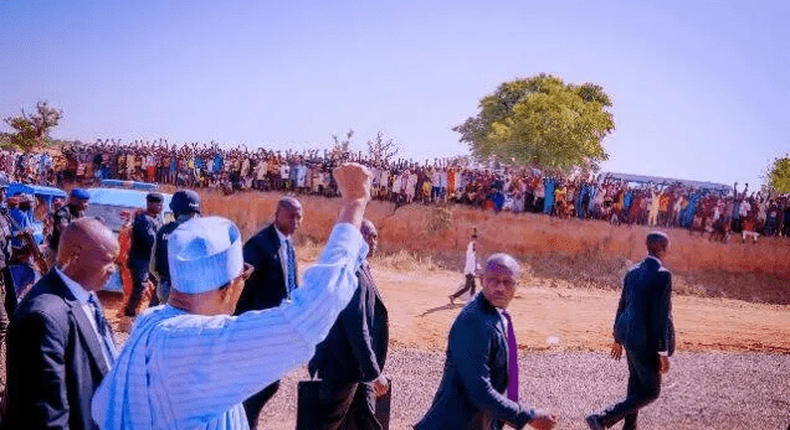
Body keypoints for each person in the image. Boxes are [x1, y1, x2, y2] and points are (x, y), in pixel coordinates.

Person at [91, 162, 372, 430]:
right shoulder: (191, 343)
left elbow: (102, 407)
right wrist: (354, 204)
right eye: (242, 276)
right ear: (227, 287)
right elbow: (305, 317)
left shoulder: (149, 323)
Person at [416, 254, 557, 430]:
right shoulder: (474, 321)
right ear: (482, 280)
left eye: (507, 282)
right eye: (493, 280)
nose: (500, 287)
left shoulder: (495, 314)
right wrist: (527, 416)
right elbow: (479, 390)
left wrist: (527, 410)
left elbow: (497, 383)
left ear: (517, 286)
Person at [2, 218, 119, 430]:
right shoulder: (41, 318)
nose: (113, 270)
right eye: (107, 260)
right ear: (75, 255)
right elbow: (47, 418)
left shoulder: (85, 295)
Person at [585, 232, 676, 430]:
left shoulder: (633, 272)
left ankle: (630, 427)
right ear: (662, 248)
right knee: (651, 391)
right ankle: (602, 419)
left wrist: (617, 338)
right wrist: (663, 352)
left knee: (635, 384)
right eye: (668, 245)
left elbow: (622, 305)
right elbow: (661, 317)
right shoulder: (663, 275)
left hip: (629, 337)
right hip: (647, 342)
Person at [308, 219, 390, 430]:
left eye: (374, 237)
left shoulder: (362, 268)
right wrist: (374, 373)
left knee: (364, 423)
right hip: (343, 370)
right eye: (366, 236)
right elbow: (357, 327)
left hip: (354, 371)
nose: (372, 241)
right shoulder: (354, 271)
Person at [234, 195, 303, 428]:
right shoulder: (260, 244)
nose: (296, 221)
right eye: (291, 215)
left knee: (270, 384)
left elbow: (291, 284)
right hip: (259, 331)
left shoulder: (287, 244)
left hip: (279, 331)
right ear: (277, 215)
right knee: (259, 387)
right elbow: (241, 286)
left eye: (299, 217)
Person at [149, 189, 201, 306]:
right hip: (197, 294)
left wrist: (164, 281)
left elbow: (153, 266)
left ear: (175, 210)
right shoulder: (204, 232)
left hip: (167, 290)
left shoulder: (163, 230)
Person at [123, 192, 163, 317]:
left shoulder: (155, 219)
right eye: (158, 204)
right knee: (140, 288)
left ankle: (152, 312)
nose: (161, 207)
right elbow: (150, 240)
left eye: (162, 205)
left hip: (149, 261)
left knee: (158, 285)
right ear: (150, 204)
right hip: (140, 260)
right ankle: (129, 315)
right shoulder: (143, 220)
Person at [50, 188, 90, 254]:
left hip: (73, 250)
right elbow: (64, 229)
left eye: (86, 202)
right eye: (84, 202)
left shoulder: (80, 213)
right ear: (74, 201)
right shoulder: (63, 212)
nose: (86, 205)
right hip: (59, 250)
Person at [449, 231, 479, 304]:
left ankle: (472, 300)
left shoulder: (473, 254)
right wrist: (471, 272)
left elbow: (474, 263)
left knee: (473, 286)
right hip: (469, 272)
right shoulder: (470, 252)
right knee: (467, 288)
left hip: (471, 272)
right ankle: (453, 296)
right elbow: (470, 263)